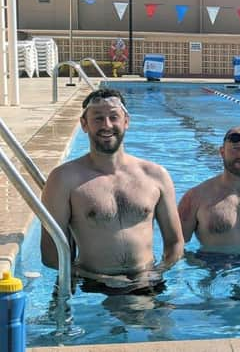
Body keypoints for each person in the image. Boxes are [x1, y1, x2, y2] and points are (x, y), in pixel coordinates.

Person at [41, 89, 184, 294]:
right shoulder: (64, 179)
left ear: (126, 121)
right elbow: (50, 255)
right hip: (90, 284)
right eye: (98, 118)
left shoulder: (156, 175)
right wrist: (98, 278)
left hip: (148, 279)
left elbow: (175, 243)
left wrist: (158, 271)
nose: (106, 125)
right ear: (84, 124)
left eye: (113, 117)